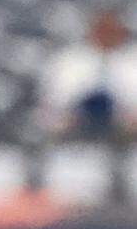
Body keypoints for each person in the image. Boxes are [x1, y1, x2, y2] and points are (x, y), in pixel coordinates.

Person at [35, 8, 137, 139]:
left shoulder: (132, 60)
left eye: (111, 30)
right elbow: (51, 101)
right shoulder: (68, 59)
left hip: (125, 134)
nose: (106, 34)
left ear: (121, 30)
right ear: (90, 30)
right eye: (101, 29)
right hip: (72, 131)